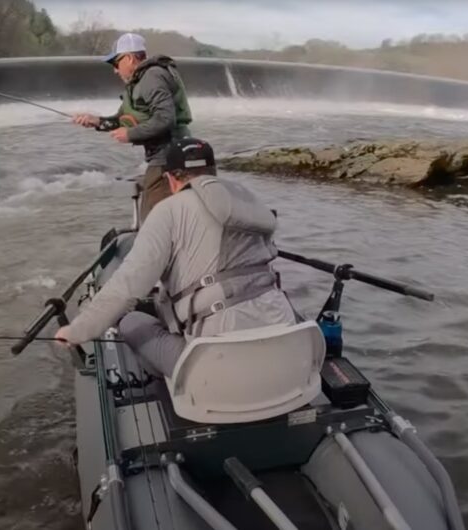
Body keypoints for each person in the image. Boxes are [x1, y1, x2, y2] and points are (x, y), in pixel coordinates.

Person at [55, 138, 297, 377]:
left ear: (170, 179)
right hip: (285, 345)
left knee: (130, 322)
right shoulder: (249, 204)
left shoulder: (167, 211)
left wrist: (77, 330)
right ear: (214, 173)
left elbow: (126, 286)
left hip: (217, 367)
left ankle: (163, 383)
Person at [72, 33, 193, 220]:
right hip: (162, 157)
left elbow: (165, 118)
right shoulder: (140, 81)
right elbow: (121, 119)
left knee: (154, 220)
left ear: (129, 58)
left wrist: (131, 134)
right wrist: (96, 121)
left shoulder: (152, 77)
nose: (115, 70)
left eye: (115, 63)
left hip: (168, 158)